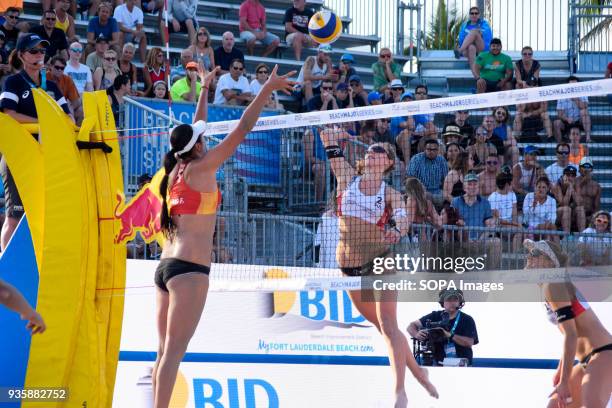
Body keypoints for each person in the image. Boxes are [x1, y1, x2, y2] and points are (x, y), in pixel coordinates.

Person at [152, 64, 295, 408]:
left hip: (165, 267)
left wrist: (205, 88)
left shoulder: (175, 168)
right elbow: (244, 126)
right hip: (188, 271)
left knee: (163, 355)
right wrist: (268, 87)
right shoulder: (202, 167)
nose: (205, 139)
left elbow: (195, 130)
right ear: (199, 146)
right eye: (201, 139)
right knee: (173, 355)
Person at [318, 127, 439, 407]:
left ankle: (400, 391)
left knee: (388, 325)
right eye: (371, 150)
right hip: (349, 269)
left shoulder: (390, 194)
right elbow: (326, 137)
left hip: (381, 261)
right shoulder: (347, 177)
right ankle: (420, 373)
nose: (373, 153)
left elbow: (402, 216)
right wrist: (338, 133)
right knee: (385, 329)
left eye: (380, 151)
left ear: (388, 163)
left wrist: (397, 230)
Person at [0, 34, 72, 249]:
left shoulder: (52, 85)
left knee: (42, 218)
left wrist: (50, 125)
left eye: (42, 50)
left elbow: (68, 118)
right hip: (19, 157)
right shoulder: (12, 81)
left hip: (48, 157)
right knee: (14, 218)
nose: (39, 55)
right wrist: (45, 122)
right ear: (21, 55)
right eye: (33, 51)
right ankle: (5, 272)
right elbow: (8, 114)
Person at [523, 239, 612, 408]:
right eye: (529, 253)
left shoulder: (553, 284)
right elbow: (570, 334)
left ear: (550, 261)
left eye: (535, 253)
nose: (529, 256)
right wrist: (562, 368)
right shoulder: (550, 286)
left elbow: (571, 335)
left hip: (604, 353)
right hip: (588, 359)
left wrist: (564, 381)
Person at [407, 289, 478, 366]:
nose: (452, 302)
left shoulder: (467, 319)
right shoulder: (434, 316)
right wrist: (416, 334)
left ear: (460, 302)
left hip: (461, 366)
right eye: (448, 299)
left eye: (455, 299)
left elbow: (469, 343)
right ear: (442, 303)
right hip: (438, 365)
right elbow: (411, 326)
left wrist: (450, 335)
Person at [407, 139, 448, 208]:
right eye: (429, 149)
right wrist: (421, 191)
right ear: (424, 149)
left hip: (437, 192)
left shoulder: (441, 160)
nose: (431, 152)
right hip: (420, 191)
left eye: (434, 150)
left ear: (438, 150)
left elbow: (445, 179)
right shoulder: (416, 159)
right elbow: (410, 179)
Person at [454, 6, 492, 77]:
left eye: (476, 13)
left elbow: (486, 34)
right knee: (471, 47)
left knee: (474, 32)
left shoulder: (484, 23)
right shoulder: (464, 25)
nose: (474, 15)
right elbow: (461, 39)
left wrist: (475, 33)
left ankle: (459, 51)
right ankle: (476, 76)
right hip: (468, 49)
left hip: (481, 48)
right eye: (472, 13)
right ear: (469, 15)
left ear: (479, 15)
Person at [553, 76, 592, 143]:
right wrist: (567, 119)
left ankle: (588, 138)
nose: (573, 87)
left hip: (580, 122)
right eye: (571, 85)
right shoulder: (561, 95)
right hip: (567, 122)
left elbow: (584, 106)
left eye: (575, 85)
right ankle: (560, 144)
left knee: (584, 112)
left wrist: (575, 98)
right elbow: (559, 114)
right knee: (556, 123)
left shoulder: (583, 92)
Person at [46, 55, 82, 123]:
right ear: (51, 66)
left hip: (62, 107)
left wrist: (69, 107)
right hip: (46, 107)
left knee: (79, 109)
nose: (59, 70)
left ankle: (74, 131)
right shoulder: (43, 78)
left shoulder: (67, 79)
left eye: (62, 68)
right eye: (57, 67)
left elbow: (75, 102)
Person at [522, 177, 558, 242]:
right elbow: (525, 217)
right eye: (539, 187)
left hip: (546, 228)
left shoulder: (552, 200)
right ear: (535, 188)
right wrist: (533, 207)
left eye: (544, 187)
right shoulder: (529, 196)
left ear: (547, 189)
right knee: (550, 228)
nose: (541, 189)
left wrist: (545, 225)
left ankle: (557, 250)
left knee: (549, 232)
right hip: (531, 228)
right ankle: (559, 250)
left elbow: (553, 219)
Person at [551, 165, 585, 234]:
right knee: (566, 209)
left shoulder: (576, 185)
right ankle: (566, 237)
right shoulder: (557, 186)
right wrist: (570, 187)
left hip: (570, 217)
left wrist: (571, 187)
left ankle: (583, 236)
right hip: (556, 216)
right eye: (568, 175)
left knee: (580, 209)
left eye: (573, 175)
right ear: (563, 176)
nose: (570, 177)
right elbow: (564, 204)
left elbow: (579, 203)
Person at [575, 157, 601, 223]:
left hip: (590, 215)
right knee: (580, 210)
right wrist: (583, 181)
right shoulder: (574, 181)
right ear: (579, 169)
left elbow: (596, 207)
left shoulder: (597, 186)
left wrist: (593, 216)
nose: (586, 169)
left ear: (591, 169)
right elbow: (575, 199)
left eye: (588, 166)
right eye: (584, 166)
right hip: (575, 214)